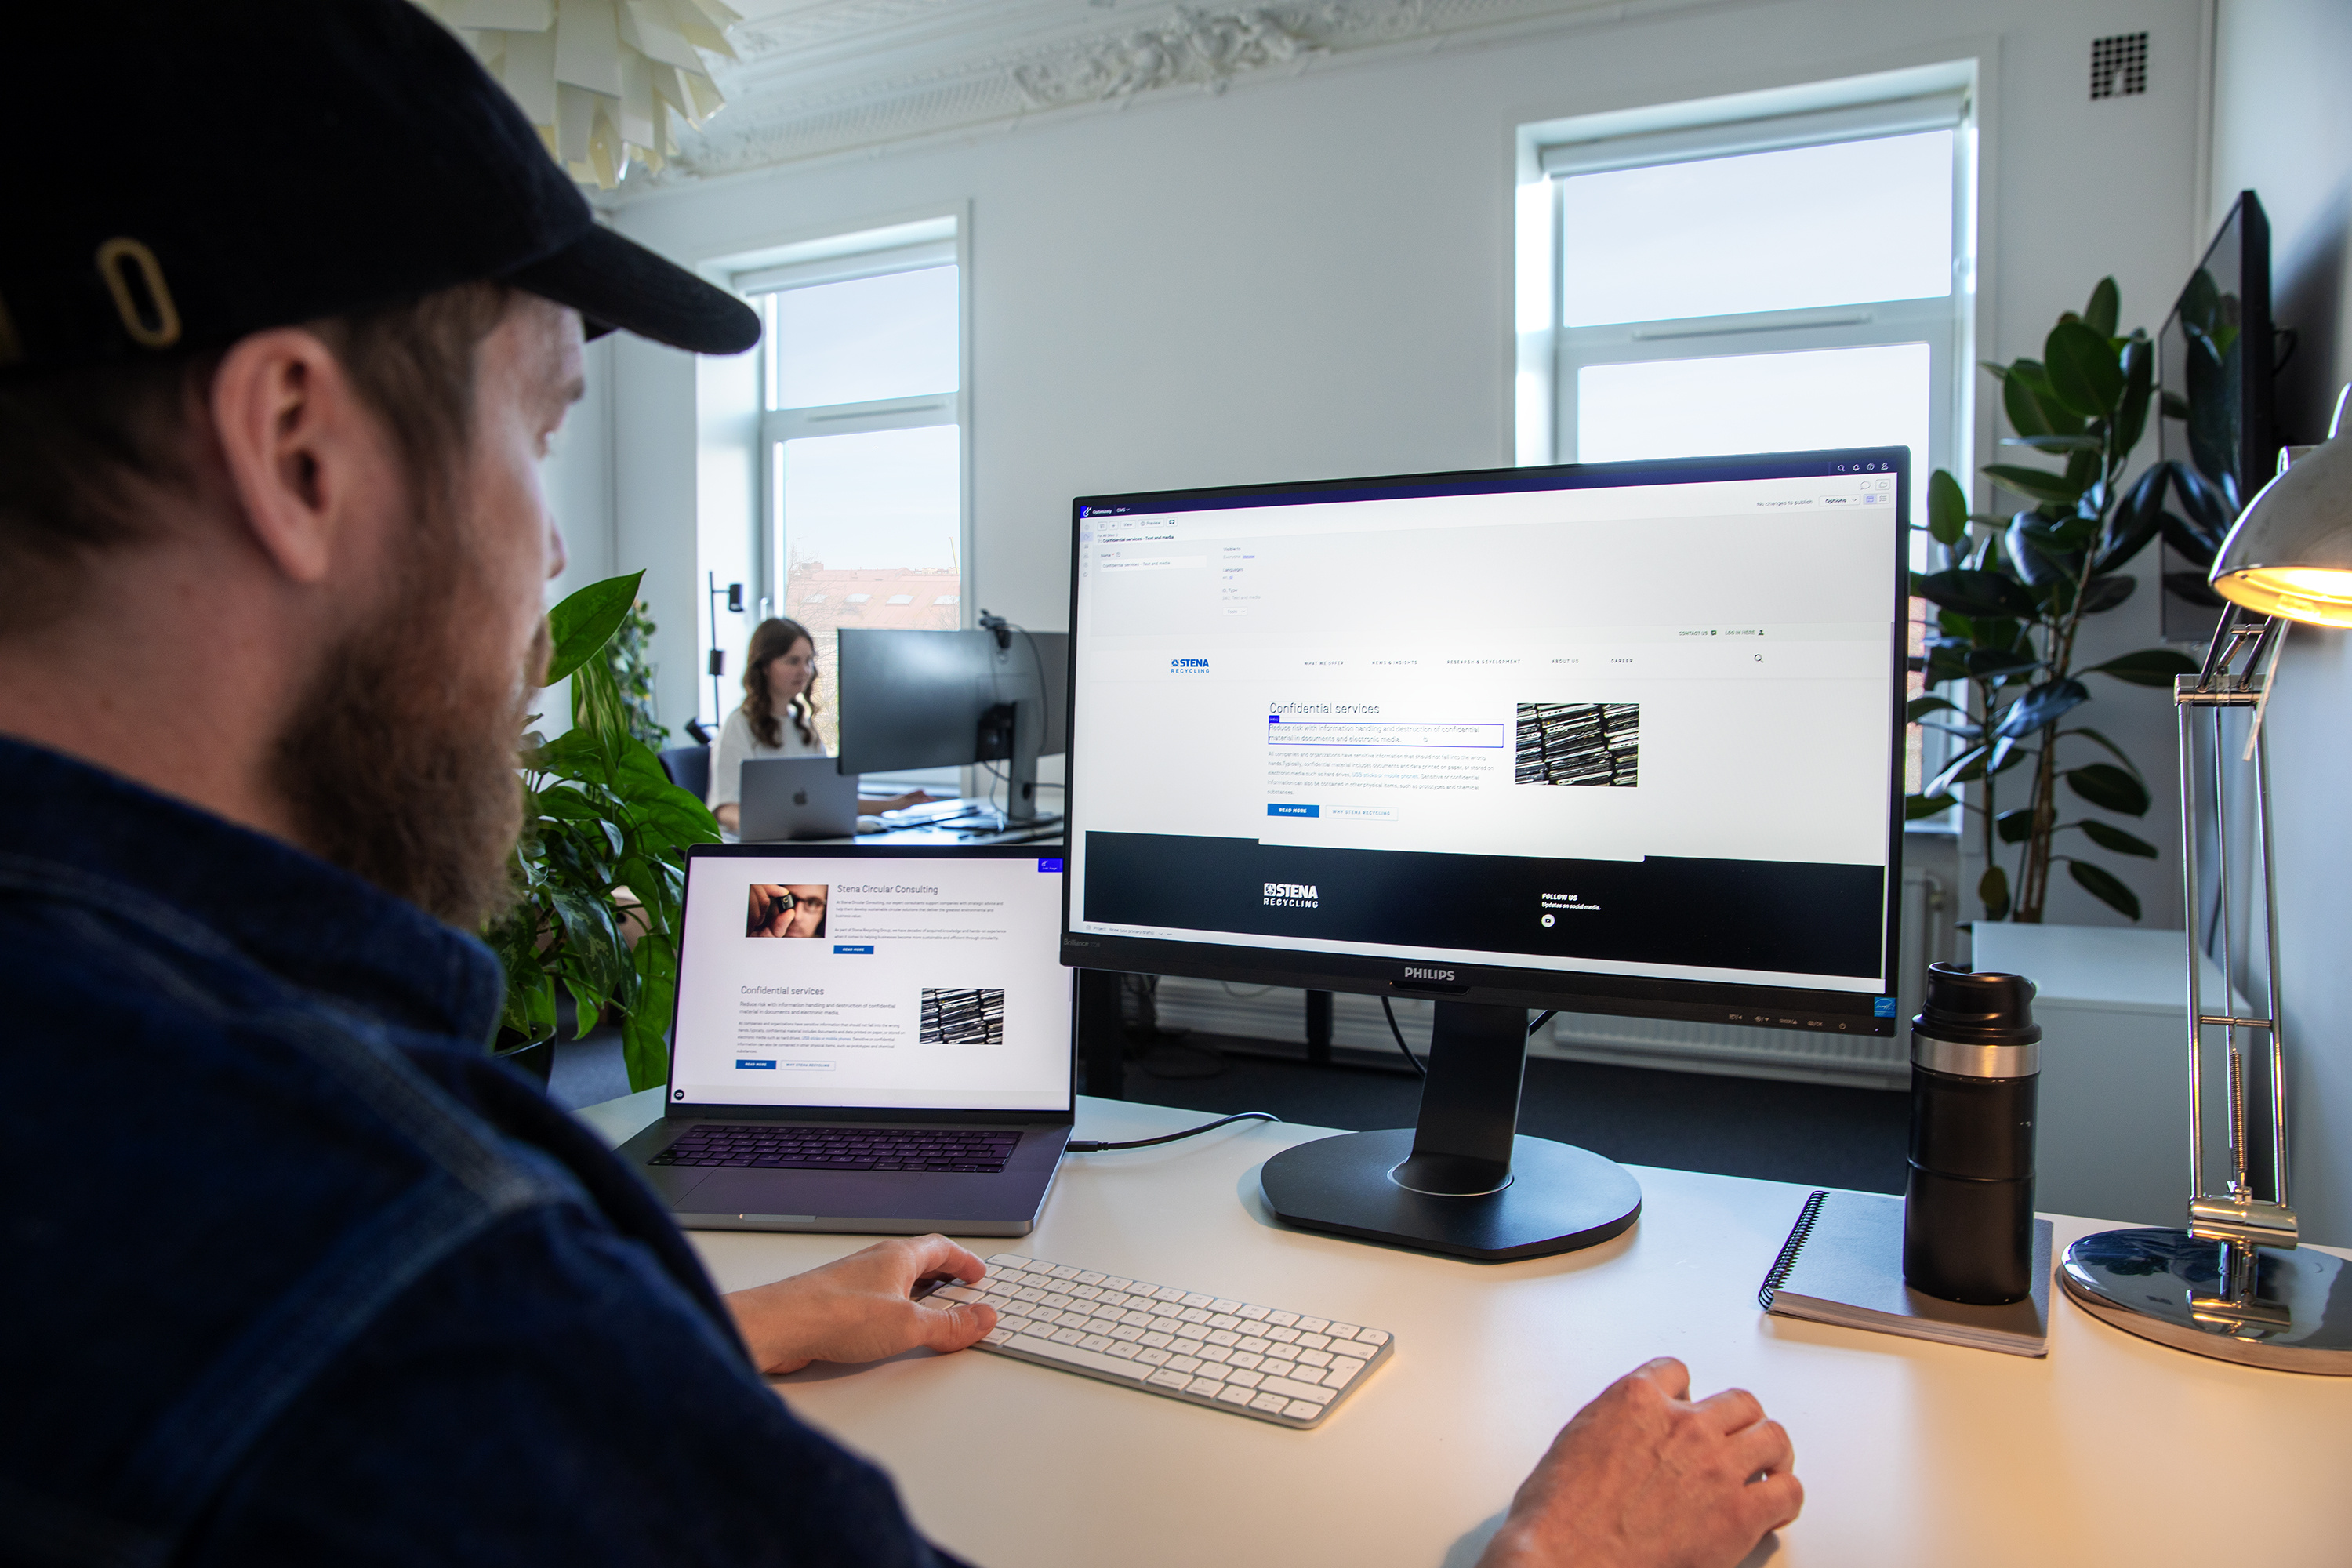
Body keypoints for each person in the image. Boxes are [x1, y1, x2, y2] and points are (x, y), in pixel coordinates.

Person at [0, 5, 1799, 1565]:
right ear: (301, 450)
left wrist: (706, 1312)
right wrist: (1564, 1539)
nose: (553, 539)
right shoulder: (411, 1287)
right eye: (537, 429)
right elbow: (393, 1360)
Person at [708, 616, 931, 833]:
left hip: (796, 844)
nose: (804, 670)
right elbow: (725, 810)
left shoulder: (802, 727)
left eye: (808, 660)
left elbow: (828, 801)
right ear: (765, 666)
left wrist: (895, 804)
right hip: (754, 850)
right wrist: (773, 827)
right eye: (792, 661)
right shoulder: (739, 725)